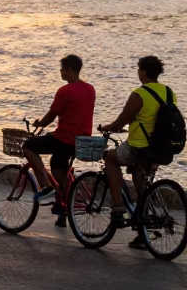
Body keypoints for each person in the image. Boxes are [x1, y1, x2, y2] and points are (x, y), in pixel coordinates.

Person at [99, 55, 175, 251]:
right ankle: (143, 233)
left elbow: (121, 122)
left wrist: (110, 127)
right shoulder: (168, 92)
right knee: (142, 189)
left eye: (138, 69)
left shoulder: (139, 94)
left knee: (110, 158)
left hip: (140, 145)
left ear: (143, 71)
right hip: (161, 147)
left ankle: (118, 208)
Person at [24, 54, 95, 228]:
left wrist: (40, 123)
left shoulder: (65, 91)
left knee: (28, 146)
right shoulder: (90, 89)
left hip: (65, 138)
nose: (61, 72)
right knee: (58, 163)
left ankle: (46, 187)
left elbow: (51, 115)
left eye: (62, 69)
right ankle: (62, 209)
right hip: (82, 140)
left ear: (70, 70)